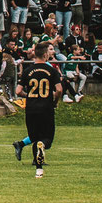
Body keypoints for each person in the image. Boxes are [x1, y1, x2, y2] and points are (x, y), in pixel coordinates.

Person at [13, 42, 64, 178]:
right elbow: (59, 89)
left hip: (31, 109)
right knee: (47, 138)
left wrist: (28, 95)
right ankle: (41, 152)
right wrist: (54, 101)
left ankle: (38, 167)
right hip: (46, 107)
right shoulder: (51, 70)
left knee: (34, 136)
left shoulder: (27, 71)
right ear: (46, 54)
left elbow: (18, 91)